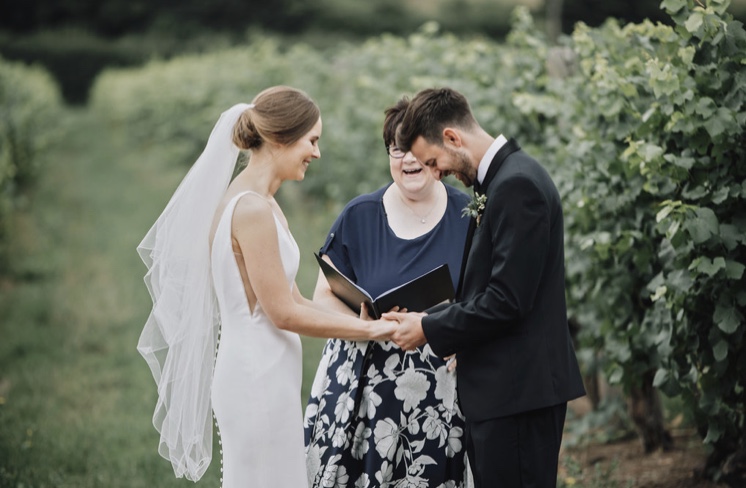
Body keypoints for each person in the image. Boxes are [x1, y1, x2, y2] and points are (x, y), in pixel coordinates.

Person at [137, 86, 396, 488]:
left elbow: (294, 297)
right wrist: (370, 332)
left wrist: (362, 315)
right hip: (255, 376)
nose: (317, 152)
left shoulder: (264, 202)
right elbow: (283, 314)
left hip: (269, 373)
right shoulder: (252, 209)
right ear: (279, 138)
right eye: (312, 140)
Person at [386, 87, 586, 488]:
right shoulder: (502, 182)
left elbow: (508, 300)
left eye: (433, 160)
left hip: (518, 395)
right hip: (506, 391)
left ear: (453, 138)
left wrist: (428, 329)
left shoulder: (517, 186)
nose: (436, 172)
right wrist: (430, 316)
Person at [304, 98, 472, 487]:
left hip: (440, 396)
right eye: (398, 150)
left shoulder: (468, 216)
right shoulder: (359, 215)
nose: (408, 160)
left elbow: (483, 301)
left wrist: (467, 340)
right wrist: (361, 325)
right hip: (365, 390)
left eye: (417, 150)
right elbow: (323, 296)